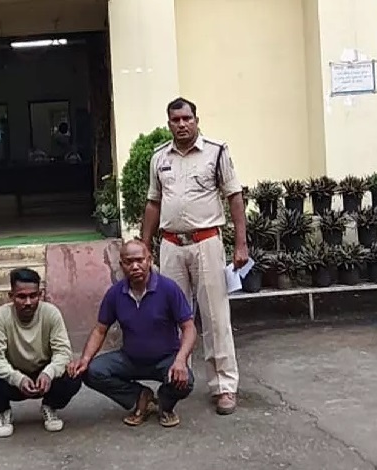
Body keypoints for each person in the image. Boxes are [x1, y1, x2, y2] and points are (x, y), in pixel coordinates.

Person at [140, 97, 248, 415]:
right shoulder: (159, 157)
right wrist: (144, 246)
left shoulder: (216, 152)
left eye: (187, 118)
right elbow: (153, 203)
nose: (182, 124)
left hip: (206, 242)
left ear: (196, 120)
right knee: (169, 317)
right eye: (175, 120)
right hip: (171, 245)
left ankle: (224, 386)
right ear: (169, 124)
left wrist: (241, 244)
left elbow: (234, 197)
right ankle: (174, 382)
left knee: (215, 317)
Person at [68, 240, 196, 427]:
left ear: (149, 260)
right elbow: (100, 330)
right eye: (129, 262)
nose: (135, 266)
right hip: (130, 359)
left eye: (140, 260)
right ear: (122, 265)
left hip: (166, 359)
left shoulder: (168, 289)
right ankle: (140, 398)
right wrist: (85, 359)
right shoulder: (115, 294)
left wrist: (180, 360)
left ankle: (165, 404)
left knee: (186, 381)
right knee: (92, 372)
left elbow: (189, 327)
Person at [0, 268, 81, 437]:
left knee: (74, 376)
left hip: (44, 376)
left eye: (33, 296)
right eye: (21, 296)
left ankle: (50, 406)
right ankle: (3, 412)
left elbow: (63, 352)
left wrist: (49, 373)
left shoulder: (51, 313)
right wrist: (17, 378)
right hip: (14, 377)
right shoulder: (1, 316)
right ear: (11, 296)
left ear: (40, 294)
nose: (28, 302)